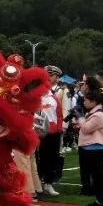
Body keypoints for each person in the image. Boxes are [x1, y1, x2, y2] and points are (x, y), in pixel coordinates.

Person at [75, 91, 103, 206]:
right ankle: (102, 199)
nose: (84, 103)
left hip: (95, 148)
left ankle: (101, 201)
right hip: (92, 147)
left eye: (86, 100)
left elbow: (86, 128)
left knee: (97, 176)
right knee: (97, 175)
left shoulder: (98, 115)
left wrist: (80, 118)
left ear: (94, 102)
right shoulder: (94, 113)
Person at [36, 67, 65, 197]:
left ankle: (48, 183)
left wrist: (59, 129)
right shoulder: (35, 97)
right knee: (38, 159)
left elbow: (59, 115)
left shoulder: (54, 97)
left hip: (53, 133)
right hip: (38, 133)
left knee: (52, 159)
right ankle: (37, 184)